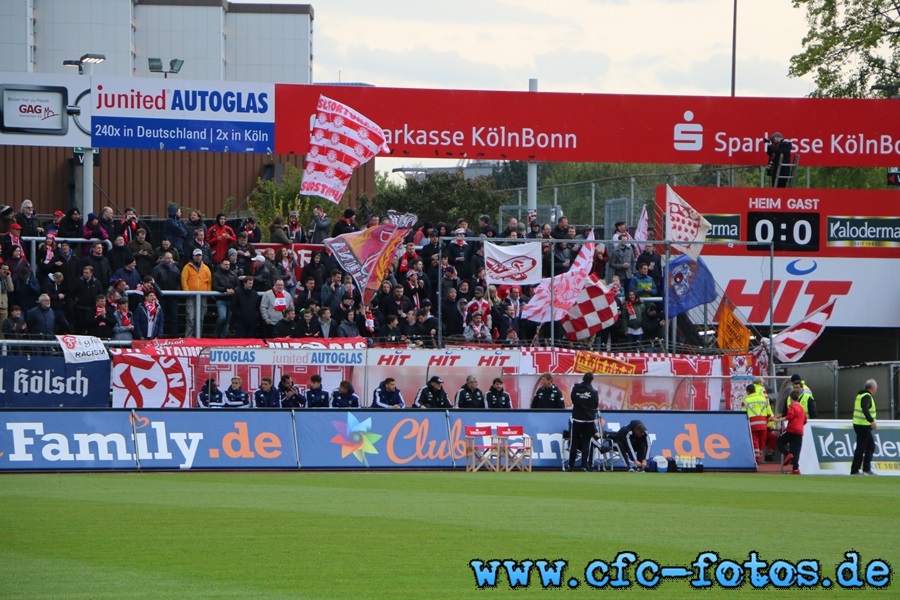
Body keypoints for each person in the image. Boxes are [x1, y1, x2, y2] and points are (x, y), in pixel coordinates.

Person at [568, 372, 601, 471]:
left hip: (577, 419)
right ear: (591, 380)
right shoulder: (593, 391)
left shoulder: (575, 388)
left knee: (574, 443)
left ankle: (571, 466)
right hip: (589, 420)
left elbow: (573, 400)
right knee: (586, 443)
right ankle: (583, 466)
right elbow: (595, 404)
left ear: (583, 378)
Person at [850, 379, 879, 476]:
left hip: (858, 424)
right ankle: (861, 470)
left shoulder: (860, 395)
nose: (876, 389)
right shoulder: (867, 396)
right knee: (866, 447)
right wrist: (871, 421)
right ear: (872, 388)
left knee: (863, 447)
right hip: (863, 425)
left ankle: (859, 469)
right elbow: (865, 409)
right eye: (876, 387)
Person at [775, 390, 807, 474]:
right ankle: (795, 469)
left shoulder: (792, 407)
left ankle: (788, 454)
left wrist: (777, 419)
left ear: (791, 398)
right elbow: (805, 421)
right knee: (795, 450)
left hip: (791, 429)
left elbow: (789, 416)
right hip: (799, 431)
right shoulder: (802, 409)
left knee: (779, 443)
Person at [181, 248, 212, 337]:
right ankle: (189, 338)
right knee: (190, 317)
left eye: (200, 255)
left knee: (201, 318)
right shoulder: (187, 267)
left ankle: (198, 338)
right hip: (191, 296)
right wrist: (187, 292)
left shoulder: (206, 268)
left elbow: (209, 281)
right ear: (193, 256)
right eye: (197, 255)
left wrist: (208, 293)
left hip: (202, 296)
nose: (198, 257)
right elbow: (184, 280)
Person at [741, 383, 773, 465]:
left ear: (748, 392)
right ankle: (760, 456)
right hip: (763, 423)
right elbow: (769, 413)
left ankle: (757, 459)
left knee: (754, 441)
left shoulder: (745, 401)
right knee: (762, 441)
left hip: (752, 423)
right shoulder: (763, 399)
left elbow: (743, 414)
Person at [212, 257, 239, 338]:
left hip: (231, 299)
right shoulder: (216, 274)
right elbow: (215, 286)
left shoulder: (233, 274)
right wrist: (225, 290)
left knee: (227, 320)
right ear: (221, 265)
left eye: (228, 264)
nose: (227, 266)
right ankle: (217, 331)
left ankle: (223, 337)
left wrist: (234, 290)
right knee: (222, 317)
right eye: (225, 264)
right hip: (221, 299)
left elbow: (238, 285)